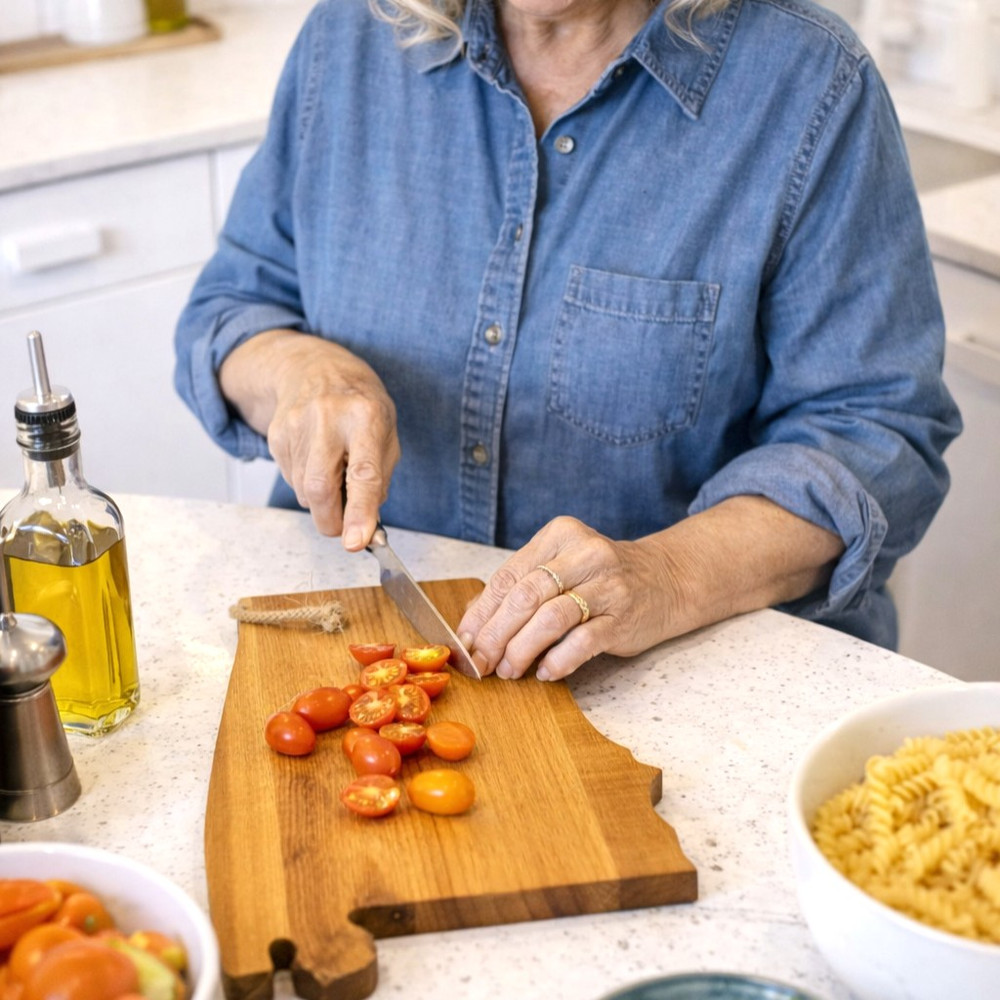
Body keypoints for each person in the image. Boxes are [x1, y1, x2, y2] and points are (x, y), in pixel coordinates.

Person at [174, 0, 961, 683]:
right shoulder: (346, 41)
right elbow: (232, 308)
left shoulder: (809, 84)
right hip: (360, 650)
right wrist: (300, 369)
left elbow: (876, 434)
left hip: (676, 680)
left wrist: (665, 575)